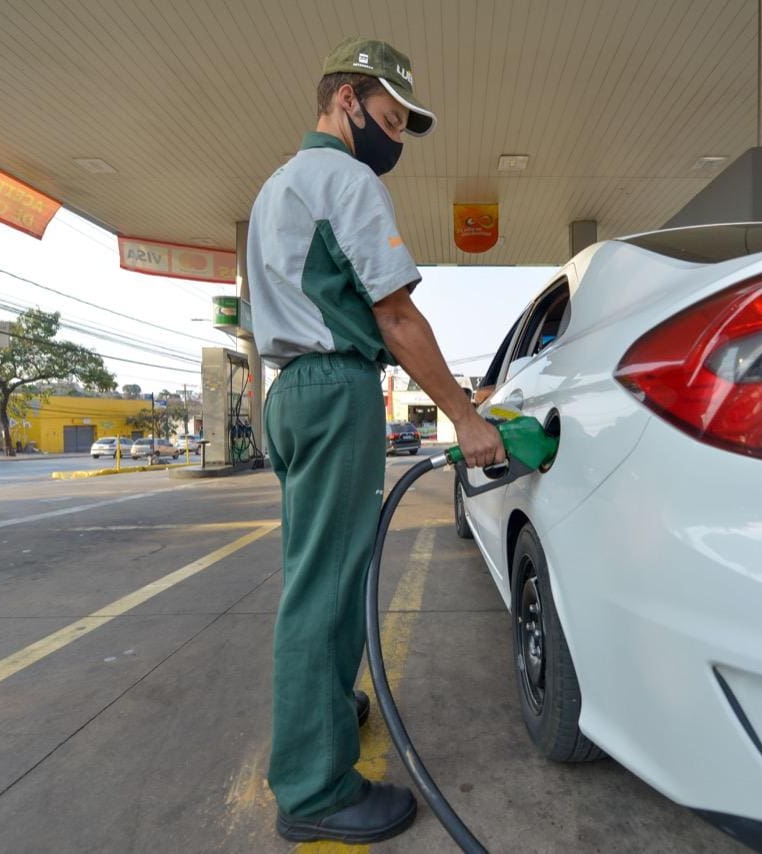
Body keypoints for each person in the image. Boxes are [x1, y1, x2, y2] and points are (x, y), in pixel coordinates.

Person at [246, 36, 505, 845]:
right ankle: (314, 788)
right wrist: (464, 414)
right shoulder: (343, 177)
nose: (394, 138)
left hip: (288, 391)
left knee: (311, 571)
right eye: (390, 117)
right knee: (326, 587)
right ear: (348, 100)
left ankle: (324, 711)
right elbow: (393, 315)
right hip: (333, 385)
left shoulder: (275, 187)